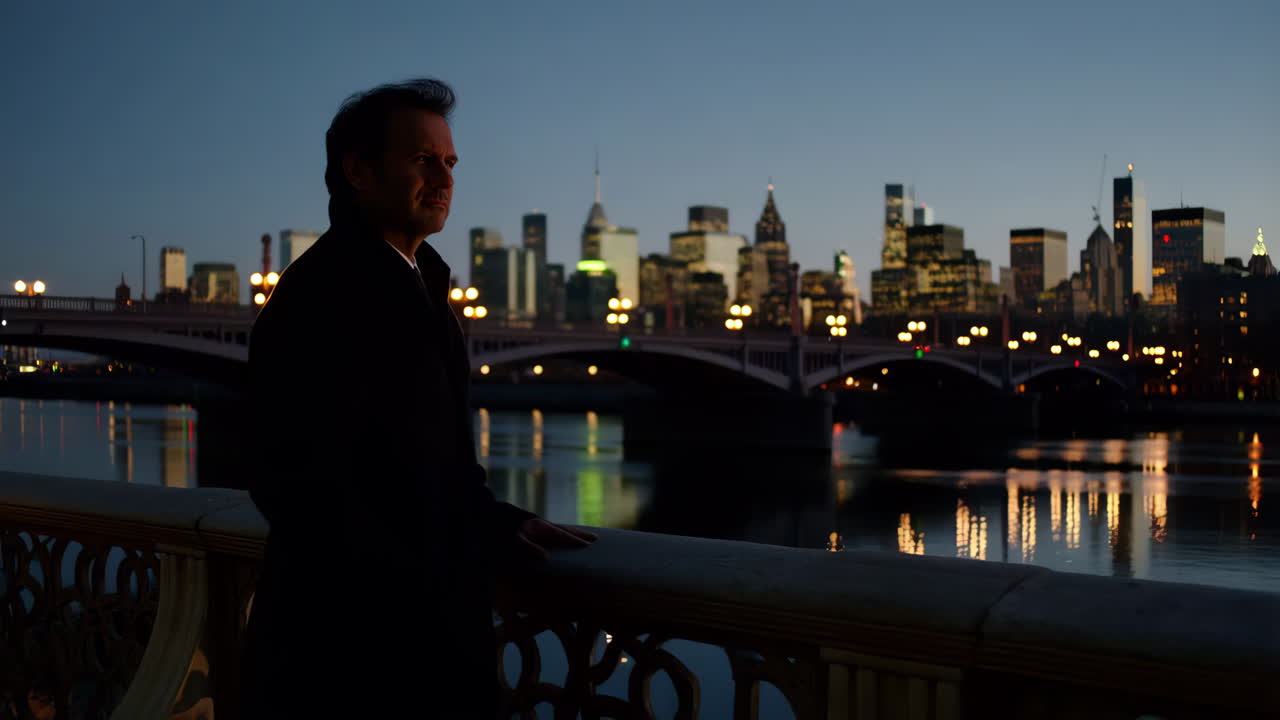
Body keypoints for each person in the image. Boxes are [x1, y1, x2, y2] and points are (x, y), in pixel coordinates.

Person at [241, 78, 596, 718]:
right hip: (353, 662)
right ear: (359, 171)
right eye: (421, 159)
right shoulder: (323, 294)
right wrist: (423, 580)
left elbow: (425, 459)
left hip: (420, 640)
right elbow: (297, 484)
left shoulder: (420, 280)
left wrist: (492, 518)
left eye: (451, 162)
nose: (444, 177)